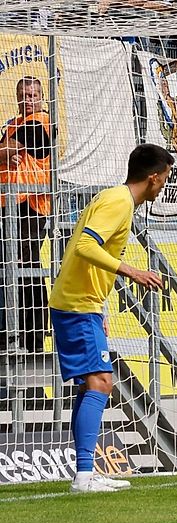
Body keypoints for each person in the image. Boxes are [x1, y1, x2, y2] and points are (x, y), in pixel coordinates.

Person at [49, 143, 173, 492]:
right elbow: (84, 247)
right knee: (102, 382)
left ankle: (84, 472)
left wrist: (101, 307)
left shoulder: (115, 199)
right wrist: (132, 271)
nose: (163, 186)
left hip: (83, 303)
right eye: (163, 179)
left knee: (91, 384)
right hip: (76, 304)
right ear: (152, 179)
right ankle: (84, 476)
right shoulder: (118, 202)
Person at [0, 76, 52, 352]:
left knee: (26, 266)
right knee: (10, 268)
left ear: (42, 97)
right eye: (24, 95)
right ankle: (12, 331)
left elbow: (8, 149)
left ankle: (32, 337)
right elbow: (5, 150)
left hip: (30, 205)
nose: (29, 100)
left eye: (33, 95)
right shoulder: (12, 124)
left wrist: (6, 151)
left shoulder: (40, 121)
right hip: (9, 203)